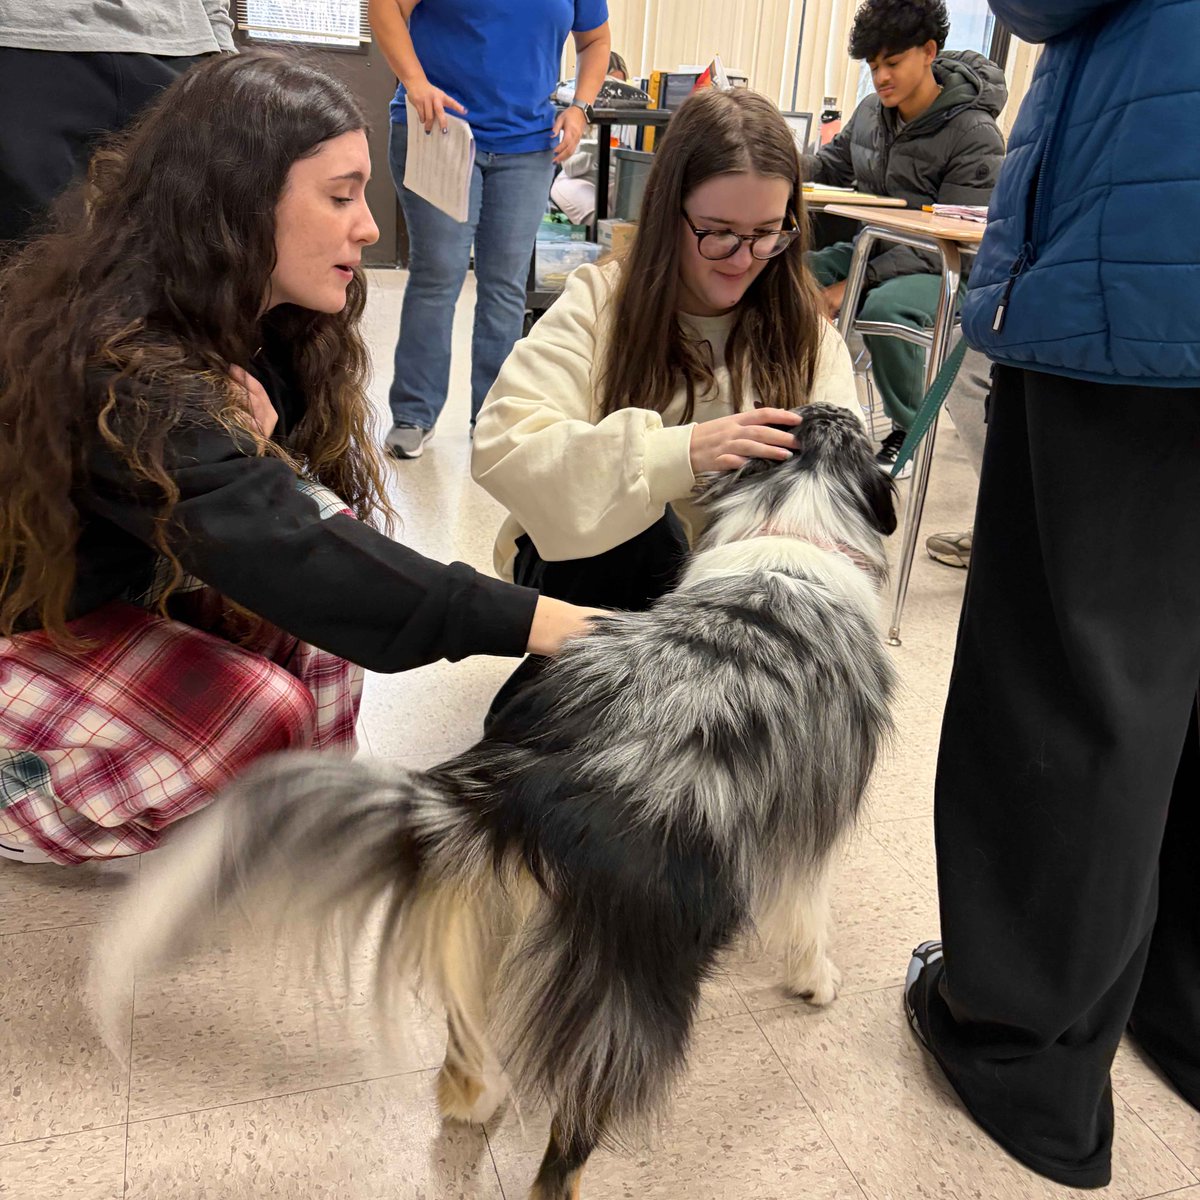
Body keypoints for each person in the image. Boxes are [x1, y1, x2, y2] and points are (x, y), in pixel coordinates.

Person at [0, 53, 600, 865]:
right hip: (33, 623)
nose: (370, 225)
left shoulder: (260, 325)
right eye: (340, 195)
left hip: (128, 593)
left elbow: (308, 543)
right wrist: (557, 625)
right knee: (257, 710)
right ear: (241, 203)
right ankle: (19, 788)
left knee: (317, 645)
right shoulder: (120, 362)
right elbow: (295, 549)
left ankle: (247, 810)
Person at [903, 0, 1200, 1189]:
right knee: (1181, 675)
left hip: (1147, 257)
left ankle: (1027, 1054)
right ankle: (1180, 1008)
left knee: (1070, 682)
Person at [471, 86, 866, 719]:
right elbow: (503, 442)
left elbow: (843, 492)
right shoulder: (600, 303)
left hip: (730, 598)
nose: (744, 260)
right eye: (718, 234)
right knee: (642, 540)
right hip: (593, 573)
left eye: (768, 235)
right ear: (668, 213)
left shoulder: (807, 335)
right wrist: (672, 454)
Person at [367, 0, 612, 459]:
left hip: (528, 145)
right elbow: (385, 7)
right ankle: (414, 414)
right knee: (439, 273)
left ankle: (494, 416)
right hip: (440, 130)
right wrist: (415, 83)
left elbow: (596, 40)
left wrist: (580, 107)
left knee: (505, 284)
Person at [801, 0, 1006, 473]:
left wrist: (854, 283)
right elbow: (829, 168)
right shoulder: (871, 113)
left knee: (882, 306)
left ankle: (908, 431)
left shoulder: (975, 133)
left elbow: (954, 241)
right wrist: (773, 160)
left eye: (892, 63)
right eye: (873, 66)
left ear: (929, 50)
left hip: (947, 267)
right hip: (873, 248)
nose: (880, 77)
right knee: (790, 273)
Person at [0, 0, 233, 248]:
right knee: (27, 248)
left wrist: (224, 48)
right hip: (29, 37)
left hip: (181, 42)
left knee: (201, 240)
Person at [550, 50, 631, 225]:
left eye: (621, 86)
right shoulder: (574, 116)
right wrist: (595, 151)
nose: (615, 94)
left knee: (632, 211)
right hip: (576, 179)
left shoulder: (629, 118)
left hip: (612, 180)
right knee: (599, 216)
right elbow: (571, 168)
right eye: (611, 85)